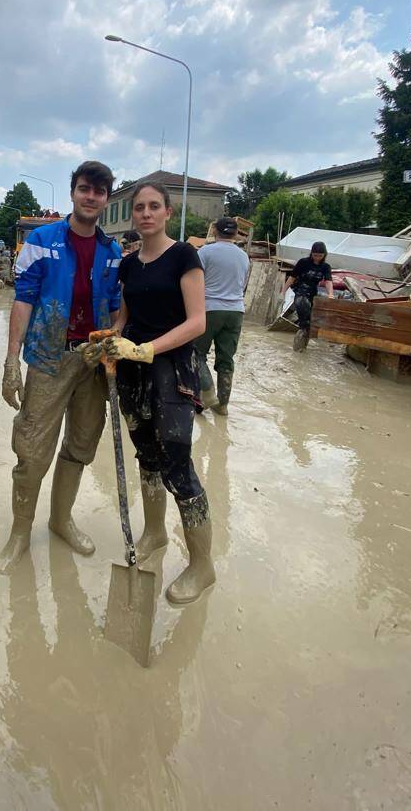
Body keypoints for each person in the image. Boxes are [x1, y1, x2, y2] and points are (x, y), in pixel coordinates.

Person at [0, 161, 122, 574]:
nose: (91, 197)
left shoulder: (113, 250)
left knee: (81, 445)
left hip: (93, 359)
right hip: (49, 358)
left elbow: (120, 307)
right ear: (73, 192)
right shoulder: (41, 239)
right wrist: (11, 360)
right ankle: (20, 532)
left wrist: (113, 341)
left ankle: (61, 519)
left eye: (99, 192)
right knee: (32, 450)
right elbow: (24, 298)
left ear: (106, 199)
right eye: (85, 188)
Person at [102, 180, 214, 605]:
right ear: (134, 216)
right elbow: (124, 318)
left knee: (177, 459)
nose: (146, 213)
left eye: (154, 206)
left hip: (172, 369)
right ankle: (154, 532)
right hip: (133, 369)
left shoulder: (185, 256)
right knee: (145, 456)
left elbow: (197, 321)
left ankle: (203, 567)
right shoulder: (129, 265)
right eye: (140, 207)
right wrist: (109, 339)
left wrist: (148, 348)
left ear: (168, 212)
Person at [194, 216, 250, 415]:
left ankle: (207, 392)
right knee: (226, 359)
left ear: (215, 231)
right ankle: (223, 405)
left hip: (210, 309)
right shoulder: (244, 256)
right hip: (236, 311)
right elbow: (243, 286)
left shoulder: (205, 252)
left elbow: (195, 281)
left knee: (195, 353)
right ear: (235, 234)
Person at [281, 240, 334, 351]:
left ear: (324, 255)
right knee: (301, 304)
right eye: (315, 255)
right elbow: (292, 277)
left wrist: (330, 294)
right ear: (311, 253)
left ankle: (305, 341)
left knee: (311, 318)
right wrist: (283, 291)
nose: (317, 258)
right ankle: (302, 328)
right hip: (300, 289)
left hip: (313, 292)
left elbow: (328, 281)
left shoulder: (325, 267)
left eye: (320, 256)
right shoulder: (303, 262)